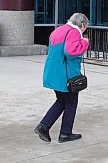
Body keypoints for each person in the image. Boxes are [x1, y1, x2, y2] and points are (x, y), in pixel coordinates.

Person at [34, 13, 90, 143]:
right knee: (71, 103)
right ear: (81, 24)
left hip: (53, 73)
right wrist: (84, 43)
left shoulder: (59, 30)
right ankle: (65, 133)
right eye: (85, 27)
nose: (84, 30)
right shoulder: (74, 32)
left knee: (61, 101)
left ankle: (43, 126)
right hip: (66, 75)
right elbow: (70, 52)